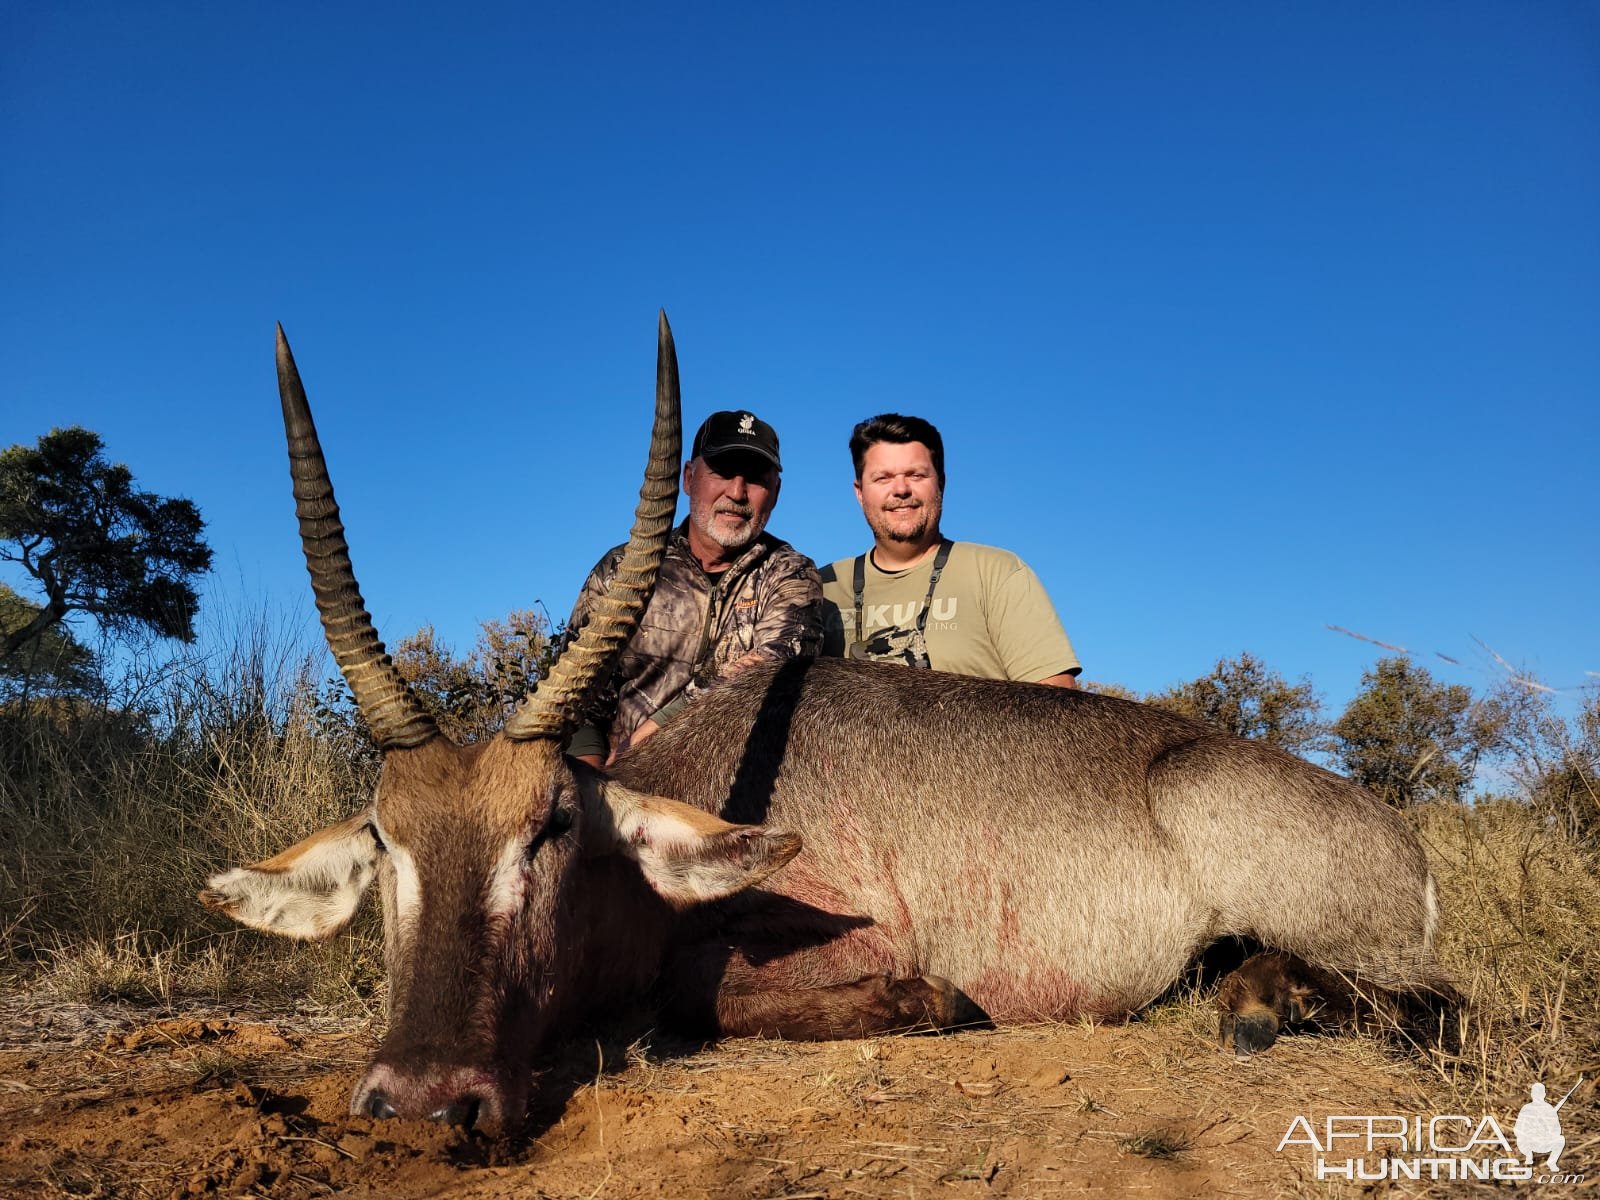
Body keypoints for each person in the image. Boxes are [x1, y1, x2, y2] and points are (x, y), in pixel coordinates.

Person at [561, 410, 823, 766]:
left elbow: (767, 675)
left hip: (731, 789)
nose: (737, 492)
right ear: (688, 478)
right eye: (722, 471)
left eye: (756, 479)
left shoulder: (791, 574)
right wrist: (591, 785)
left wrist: (645, 741)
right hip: (617, 789)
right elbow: (580, 698)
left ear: (775, 493)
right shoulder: (622, 570)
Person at [819, 413, 1080, 685]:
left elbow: (1057, 696)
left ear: (940, 483)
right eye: (883, 478)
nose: (900, 489)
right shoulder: (821, 587)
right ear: (860, 492)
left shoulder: (996, 572)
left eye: (915, 475)